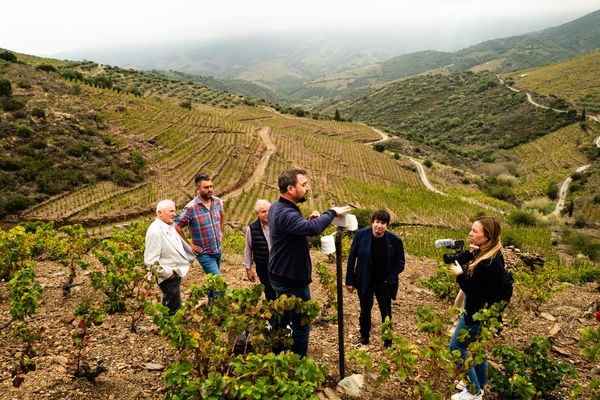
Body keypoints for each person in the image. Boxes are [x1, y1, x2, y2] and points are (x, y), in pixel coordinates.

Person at [268, 168, 351, 356]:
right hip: (292, 279)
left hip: (278, 273)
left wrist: (307, 221)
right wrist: (331, 212)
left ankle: (278, 354)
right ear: (290, 188)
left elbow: (296, 229)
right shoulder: (287, 213)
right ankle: (298, 364)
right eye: (303, 185)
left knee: (283, 318)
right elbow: (313, 230)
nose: (308, 188)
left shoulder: (276, 207)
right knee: (302, 325)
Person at [449, 216, 505, 400]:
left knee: (456, 347)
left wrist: (459, 275)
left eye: (475, 231)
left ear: (487, 236)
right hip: (484, 313)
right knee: (479, 348)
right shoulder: (492, 255)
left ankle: (473, 392)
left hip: (474, 313)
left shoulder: (487, 264)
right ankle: (479, 384)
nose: (470, 234)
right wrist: (473, 253)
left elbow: (475, 293)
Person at [345, 210, 405, 347]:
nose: (379, 226)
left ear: (387, 226)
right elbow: (351, 258)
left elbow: (400, 262)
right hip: (364, 280)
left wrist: (391, 276)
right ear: (372, 222)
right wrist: (350, 280)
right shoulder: (361, 235)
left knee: (386, 312)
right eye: (377, 222)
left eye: (383, 223)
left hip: (384, 282)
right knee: (365, 310)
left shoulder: (395, 241)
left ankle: (388, 341)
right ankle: (364, 337)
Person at [144, 199, 195, 315]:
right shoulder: (155, 231)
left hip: (175, 272)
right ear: (159, 213)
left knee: (171, 303)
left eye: (174, 211)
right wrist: (169, 273)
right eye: (171, 211)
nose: (174, 214)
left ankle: (169, 326)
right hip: (168, 275)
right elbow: (150, 261)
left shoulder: (168, 225)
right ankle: (171, 329)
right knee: (173, 307)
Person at [175, 174, 225, 277]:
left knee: (214, 283)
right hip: (204, 253)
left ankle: (211, 293)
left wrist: (221, 231)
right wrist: (189, 246)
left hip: (218, 249)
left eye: (211, 186)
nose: (210, 189)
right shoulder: (190, 208)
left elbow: (222, 214)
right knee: (218, 284)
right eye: (206, 187)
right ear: (198, 189)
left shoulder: (217, 202)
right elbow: (177, 226)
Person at [243, 199, 276, 300]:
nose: (267, 214)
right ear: (257, 214)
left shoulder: (277, 224)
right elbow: (248, 249)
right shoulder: (252, 228)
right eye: (263, 212)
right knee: (269, 291)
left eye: (268, 211)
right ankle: (272, 313)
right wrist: (248, 269)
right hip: (263, 267)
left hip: (279, 264)